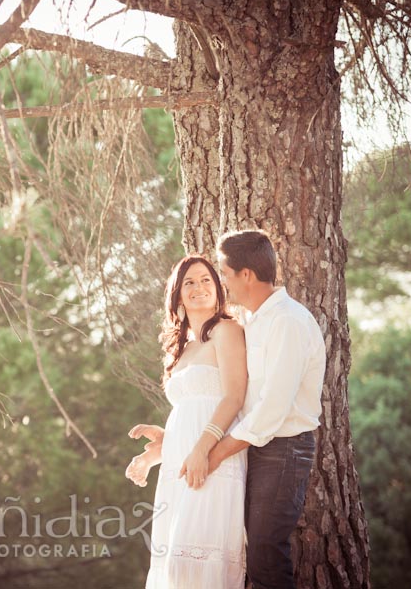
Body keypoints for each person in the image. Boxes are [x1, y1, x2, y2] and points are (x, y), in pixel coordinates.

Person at [206, 229, 326, 589]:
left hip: (283, 450)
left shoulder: (287, 321)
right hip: (252, 448)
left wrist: (217, 452)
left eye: (225, 273)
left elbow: (273, 409)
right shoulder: (251, 321)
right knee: (245, 551)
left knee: (265, 552)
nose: (223, 282)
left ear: (246, 275)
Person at [126, 254, 248, 588]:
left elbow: (233, 398)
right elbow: (191, 413)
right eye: (189, 282)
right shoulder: (182, 350)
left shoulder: (227, 331)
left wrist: (202, 450)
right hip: (179, 465)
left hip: (212, 459)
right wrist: (158, 452)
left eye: (206, 280)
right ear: (177, 294)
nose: (198, 287)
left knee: (195, 566)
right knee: (174, 568)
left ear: (218, 289)